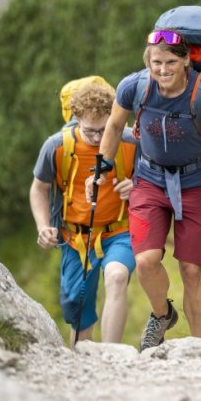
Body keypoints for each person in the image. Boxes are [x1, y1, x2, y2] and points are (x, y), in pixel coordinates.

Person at [91, 28, 201, 350]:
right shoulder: (135, 86)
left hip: (197, 182)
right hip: (150, 179)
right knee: (145, 260)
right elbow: (115, 125)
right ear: (148, 61)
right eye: (156, 62)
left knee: (192, 269)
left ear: (186, 60)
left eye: (171, 61)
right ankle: (162, 315)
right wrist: (104, 163)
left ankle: (199, 348)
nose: (163, 69)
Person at [29, 80, 138, 346]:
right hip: (76, 239)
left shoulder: (131, 141)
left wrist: (137, 187)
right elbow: (39, 189)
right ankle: (84, 362)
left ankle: (111, 356)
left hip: (120, 231)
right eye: (91, 132)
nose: (100, 138)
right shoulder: (56, 146)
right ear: (76, 118)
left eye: (105, 129)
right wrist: (43, 226)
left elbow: (154, 181)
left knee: (117, 275)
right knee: (78, 312)